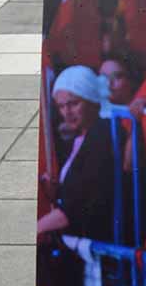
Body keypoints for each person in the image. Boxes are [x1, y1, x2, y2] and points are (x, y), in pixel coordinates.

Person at [37, 67, 115, 247]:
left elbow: (77, 207)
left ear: (92, 100)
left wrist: (36, 229)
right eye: (61, 106)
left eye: (73, 103)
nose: (67, 112)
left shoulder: (101, 136)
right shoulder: (81, 137)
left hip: (96, 243)